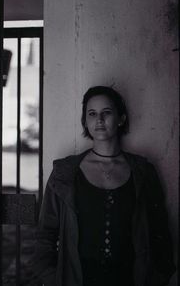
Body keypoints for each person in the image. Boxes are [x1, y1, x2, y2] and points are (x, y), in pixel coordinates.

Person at [30, 86, 176, 286]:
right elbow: (46, 234)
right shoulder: (64, 173)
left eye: (106, 112)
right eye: (92, 113)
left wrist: (158, 277)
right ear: (85, 121)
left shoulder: (143, 172)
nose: (99, 119)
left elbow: (160, 233)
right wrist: (54, 278)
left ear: (121, 119)